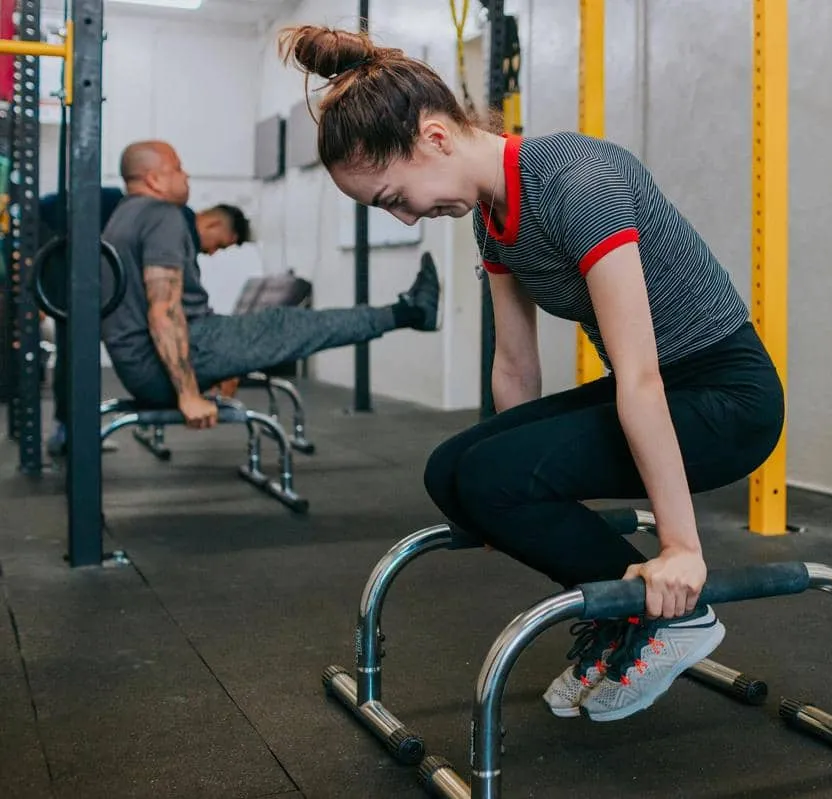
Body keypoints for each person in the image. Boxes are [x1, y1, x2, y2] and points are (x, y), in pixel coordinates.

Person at [278, 27, 786, 723]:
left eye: (396, 196)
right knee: (454, 471)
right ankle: (627, 614)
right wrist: (499, 504)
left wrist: (681, 547)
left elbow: (639, 377)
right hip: (663, 386)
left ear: (434, 137)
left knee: (491, 476)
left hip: (727, 398)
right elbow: (515, 363)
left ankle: (674, 617)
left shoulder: (578, 180)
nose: (405, 215)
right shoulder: (492, 218)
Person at [99, 140, 441, 428]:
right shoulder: (162, 216)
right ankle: (409, 312)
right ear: (155, 179)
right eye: (178, 168)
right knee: (290, 324)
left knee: (276, 326)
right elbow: (164, 310)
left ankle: (407, 310)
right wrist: (188, 394)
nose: (185, 174)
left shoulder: (122, 217)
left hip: (140, 367)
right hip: (170, 359)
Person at [40, 189, 251, 454]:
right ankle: (69, 432)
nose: (211, 253)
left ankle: (68, 430)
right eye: (218, 245)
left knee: (76, 344)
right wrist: (226, 362)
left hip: (55, 233)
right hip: (51, 234)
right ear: (213, 223)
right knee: (76, 344)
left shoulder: (163, 218)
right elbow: (183, 309)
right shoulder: (174, 221)